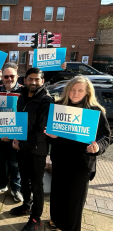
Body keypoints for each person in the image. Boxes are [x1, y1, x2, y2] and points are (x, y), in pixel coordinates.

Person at [44, 76, 111, 231]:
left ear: (87, 92)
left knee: (74, 201)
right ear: (67, 90)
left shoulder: (95, 111)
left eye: (80, 90)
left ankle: (69, 227)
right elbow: (53, 134)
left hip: (81, 164)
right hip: (60, 160)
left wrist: (97, 148)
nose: (75, 93)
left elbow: (105, 137)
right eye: (72, 90)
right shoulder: (59, 107)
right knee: (58, 195)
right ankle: (56, 220)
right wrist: (52, 136)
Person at [10, 68, 53, 231]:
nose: (33, 82)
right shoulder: (22, 96)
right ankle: (25, 206)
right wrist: (13, 135)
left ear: (42, 81)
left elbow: (42, 131)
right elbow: (19, 121)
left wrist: (22, 145)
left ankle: (36, 218)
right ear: (25, 80)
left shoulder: (46, 101)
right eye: (30, 79)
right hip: (21, 147)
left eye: (37, 79)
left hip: (37, 151)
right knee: (25, 182)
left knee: (36, 185)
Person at [0, 63, 23, 202]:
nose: (9, 79)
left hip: (15, 135)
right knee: (0, 161)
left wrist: (13, 135)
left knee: (15, 163)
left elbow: (25, 114)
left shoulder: (24, 91)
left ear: (16, 76)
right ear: (2, 77)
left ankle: (16, 188)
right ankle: (2, 184)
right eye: (6, 76)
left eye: (12, 76)